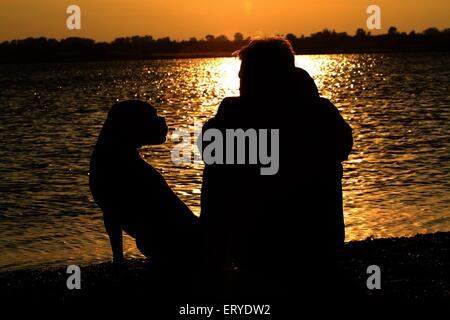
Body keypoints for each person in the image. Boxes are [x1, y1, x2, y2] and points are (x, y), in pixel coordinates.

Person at [199, 37, 353, 299]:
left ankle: (214, 260)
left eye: (245, 73)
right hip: (319, 244)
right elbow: (342, 146)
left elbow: (208, 150)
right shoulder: (320, 110)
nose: (240, 81)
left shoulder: (235, 113)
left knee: (217, 169)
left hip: (259, 246)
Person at [89, 100, 199, 280]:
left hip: (183, 241)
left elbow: (111, 213)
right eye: (151, 118)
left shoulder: (106, 164)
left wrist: (118, 261)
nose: (161, 122)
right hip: (182, 242)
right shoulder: (129, 168)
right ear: (130, 126)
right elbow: (112, 212)